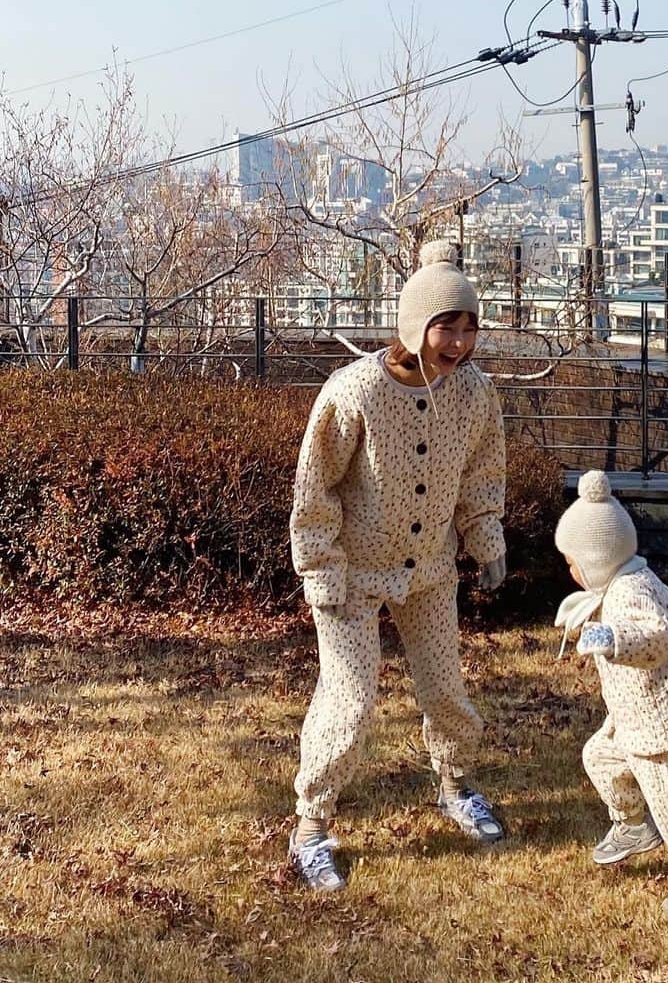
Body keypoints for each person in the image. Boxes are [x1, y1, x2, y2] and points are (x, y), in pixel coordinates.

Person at [287, 239, 508, 891]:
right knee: (349, 704)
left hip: (431, 572)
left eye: (471, 326)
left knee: (447, 691)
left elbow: (482, 472)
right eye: (448, 325)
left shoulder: (475, 393)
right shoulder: (352, 391)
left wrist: (485, 538)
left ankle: (456, 783)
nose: (461, 341)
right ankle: (310, 825)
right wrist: (319, 565)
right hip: (351, 575)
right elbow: (314, 486)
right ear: (415, 325)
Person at [553, 470, 668, 919]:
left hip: (664, 732)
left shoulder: (635, 592)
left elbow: (658, 637)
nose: (568, 568)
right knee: (600, 757)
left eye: (571, 560)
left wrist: (614, 639)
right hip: (633, 722)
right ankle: (633, 824)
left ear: (596, 558)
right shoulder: (614, 585)